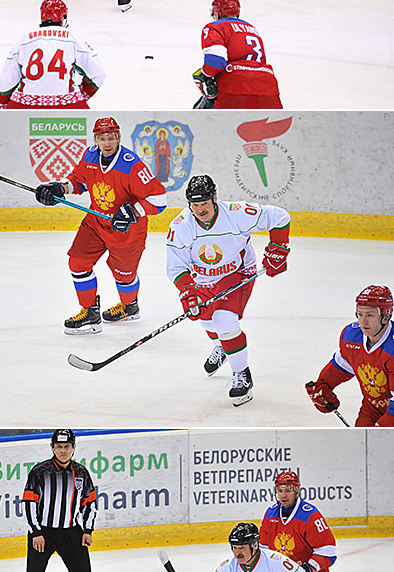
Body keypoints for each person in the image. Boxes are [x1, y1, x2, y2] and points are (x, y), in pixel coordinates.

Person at [166, 174, 291, 406]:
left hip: (238, 272)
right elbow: (176, 266)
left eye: (204, 203)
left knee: (224, 320)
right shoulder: (181, 226)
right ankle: (221, 347)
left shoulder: (237, 213)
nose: (200, 209)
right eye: (195, 204)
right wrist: (187, 291)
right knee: (206, 321)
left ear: (214, 199)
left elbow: (280, 217)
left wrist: (278, 248)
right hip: (202, 278)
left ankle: (242, 374)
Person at [35, 116, 166, 333]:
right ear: (96, 139)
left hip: (127, 230)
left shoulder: (132, 165)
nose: (107, 143)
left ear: (119, 138)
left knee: (124, 276)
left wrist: (133, 211)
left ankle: (129, 306)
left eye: (111, 138)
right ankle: (90, 313)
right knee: (77, 262)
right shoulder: (90, 155)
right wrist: (60, 188)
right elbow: (79, 180)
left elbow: (159, 199)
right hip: (96, 222)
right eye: (102, 138)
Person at [20, 429, 97, 572]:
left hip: (72, 533)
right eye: (59, 447)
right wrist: (35, 532)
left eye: (67, 447)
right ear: (53, 447)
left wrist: (87, 530)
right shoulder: (40, 471)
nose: (63, 451)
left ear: (73, 448)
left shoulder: (81, 472)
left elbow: (90, 502)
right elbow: (29, 503)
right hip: (43, 533)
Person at [0, 0, 106, 109]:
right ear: (64, 17)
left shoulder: (24, 40)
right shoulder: (73, 39)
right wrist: (83, 95)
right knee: (88, 125)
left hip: (24, 104)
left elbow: (7, 81)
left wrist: (2, 102)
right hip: (66, 105)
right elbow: (98, 75)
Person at [306, 284, 394, 427]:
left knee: (377, 444)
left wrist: (379, 432)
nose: (363, 321)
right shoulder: (352, 337)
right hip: (372, 408)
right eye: (360, 314)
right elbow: (339, 368)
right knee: (360, 442)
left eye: (370, 315)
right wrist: (322, 387)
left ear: (385, 316)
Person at [193, 0, 283, 110]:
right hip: (268, 88)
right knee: (272, 128)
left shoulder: (215, 27)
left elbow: (215, 60)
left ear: (217, 13)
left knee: (209, 123)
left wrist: (205, 75)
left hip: (234, 88)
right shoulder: (252, 29)